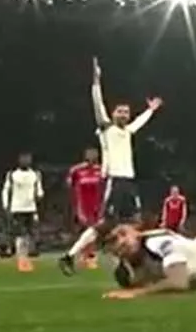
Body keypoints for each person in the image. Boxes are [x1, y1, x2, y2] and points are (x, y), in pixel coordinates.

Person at [61, 58, 159, 274]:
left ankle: (123, 262)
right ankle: (71, 255)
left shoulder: (128, 131)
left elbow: (139, 123)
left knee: (133, 223)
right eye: (120, 111)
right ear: (113, 114)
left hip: (129, 182)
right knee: (104, 225)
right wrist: (96, 82)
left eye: (126, 112)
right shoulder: (107, 129)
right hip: (114, 181)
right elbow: (98, 105)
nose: (123, 114)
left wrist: (150, 110)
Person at [59, 148, 106, 274]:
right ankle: (85, 255)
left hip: (98, 205)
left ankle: (89, 256)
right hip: (82, 205)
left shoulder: (101, 170)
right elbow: (69, 185)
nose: (92, 157)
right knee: (86, 229)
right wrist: (73, 203)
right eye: (90, 154)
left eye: (94, 154)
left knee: (95, 230)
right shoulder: (76, 170)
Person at [2, 152, 43, 272]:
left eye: (28, 159)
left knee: (29, 234)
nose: (26, 161)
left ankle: (25, 257)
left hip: (31, 208)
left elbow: (39, 190)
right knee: (20, 234)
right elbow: (6, 190)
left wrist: (39, 196)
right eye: (23, 159)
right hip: (17, 208)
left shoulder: (35, 174)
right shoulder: (12, 175)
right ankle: (21, 259)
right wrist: (6, 205)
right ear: (19, 161)